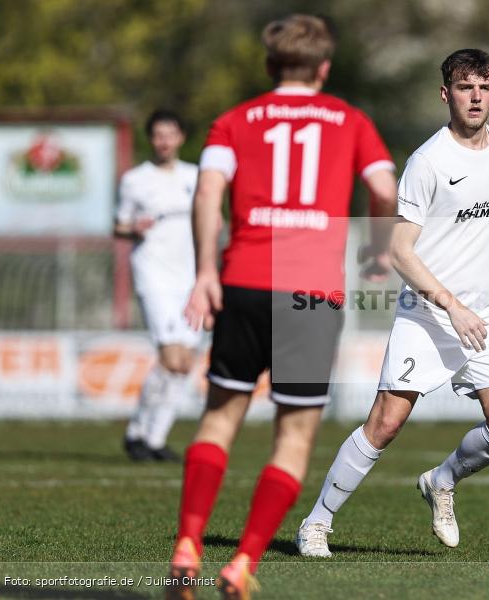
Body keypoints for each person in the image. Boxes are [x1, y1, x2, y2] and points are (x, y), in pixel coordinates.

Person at [165, 15, 397, 600]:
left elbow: (207, 191)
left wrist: (202, 272)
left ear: (269, 66)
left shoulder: (235, 120)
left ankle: (187, 543)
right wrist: (375, 248)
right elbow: (386, 187)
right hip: (311, 295)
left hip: (242, 280)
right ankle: (242, 562)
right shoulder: (350, 120)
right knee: (292, 438)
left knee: (219, 418)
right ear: (324, 67)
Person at [295, 48, 489, 558]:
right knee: (386, 422)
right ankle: (317, 523)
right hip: (429, 314)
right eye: (465, 87)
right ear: (446, 94)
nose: (476, 97)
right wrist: (452, 306)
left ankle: (441, 480)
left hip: (488, 314)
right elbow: (400, 250)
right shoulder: (428, 162)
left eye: (484, 87)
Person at [115, 110, 200, 463]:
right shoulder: (135, 179)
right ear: (151, 139)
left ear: (181, 137)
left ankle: (152, 437)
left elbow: (213, 220)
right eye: (158, 135)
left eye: (171, 133)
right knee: (170, 356)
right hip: (154, 276)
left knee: (184, 362)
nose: (165, 141)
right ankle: (138, 433)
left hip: (190, 278)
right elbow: (118, 226)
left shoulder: (195, 176)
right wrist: (134, 227)